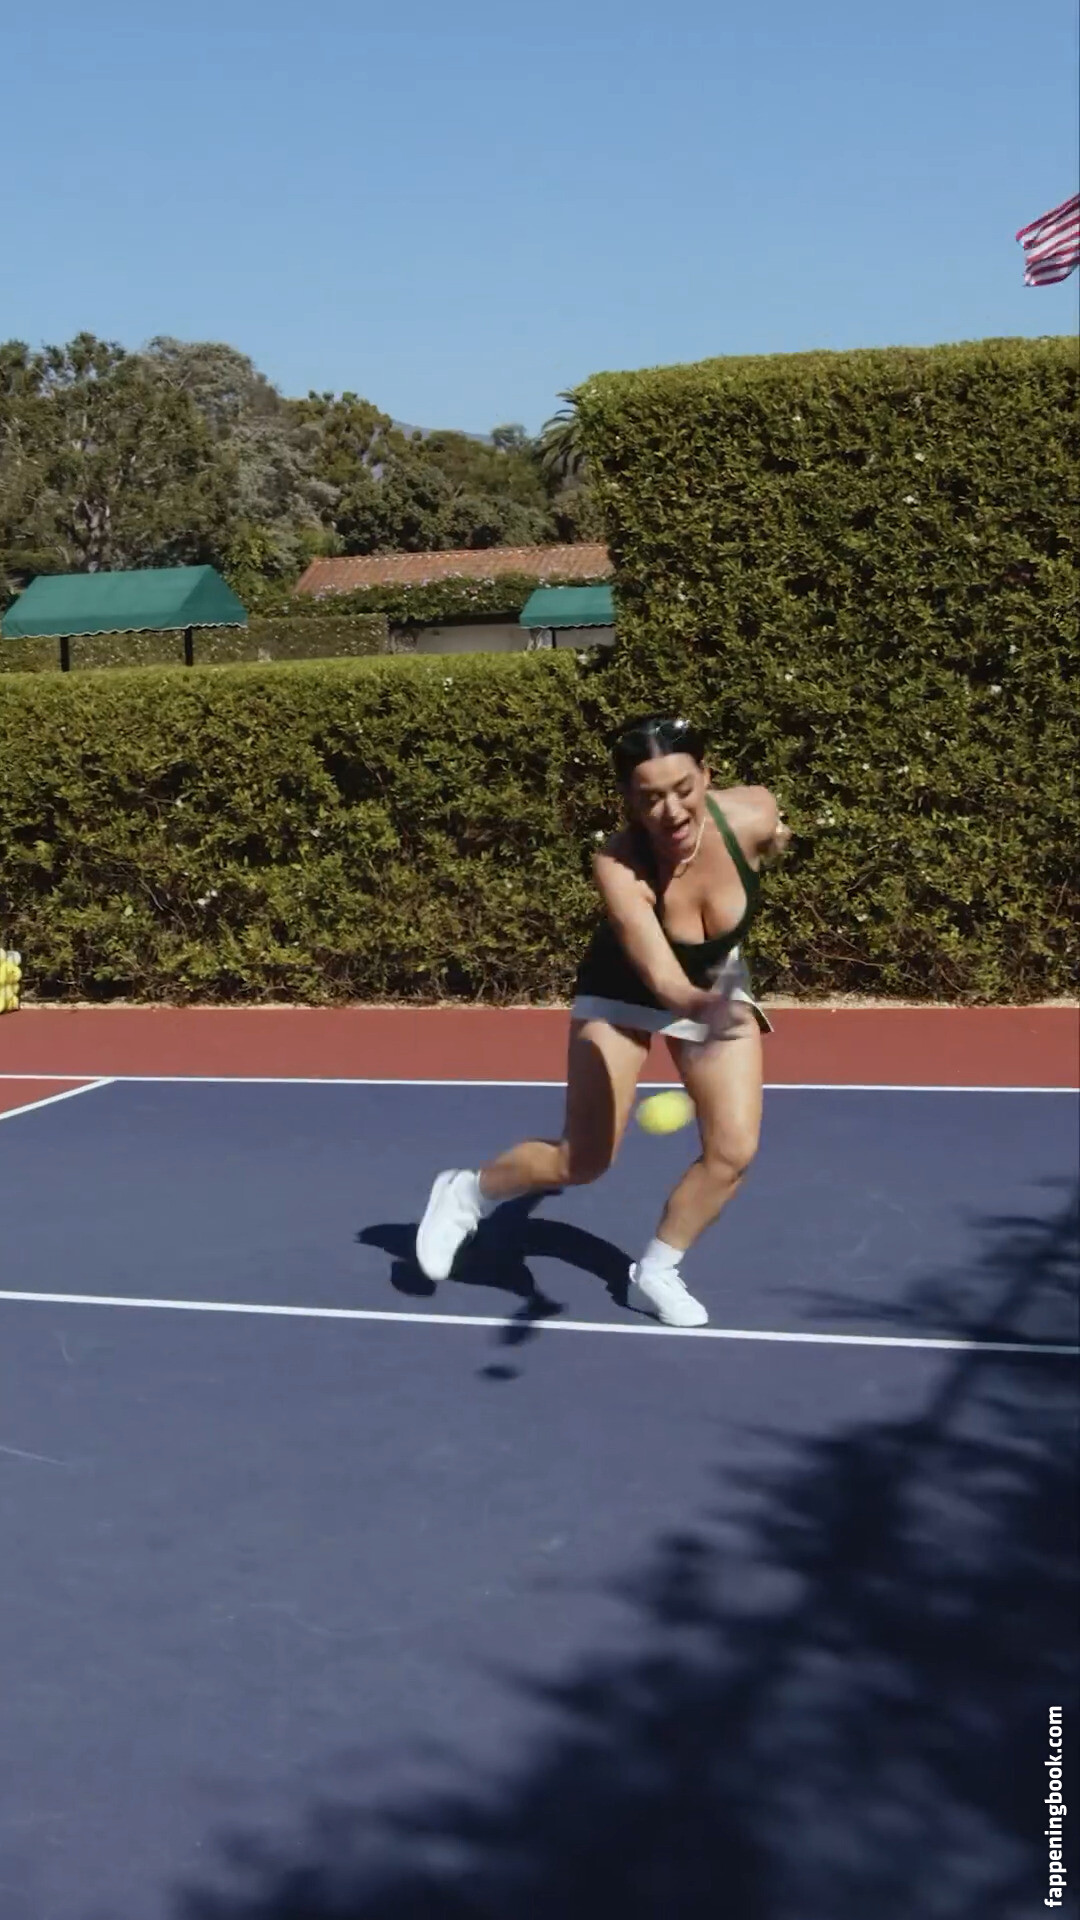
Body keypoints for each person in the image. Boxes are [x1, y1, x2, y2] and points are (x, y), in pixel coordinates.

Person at [415, 713, 790, 1327]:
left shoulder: (753, 813)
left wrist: (775, 841)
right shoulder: (618, 865)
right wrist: (705, 1006)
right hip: (625, 990)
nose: (671, 810)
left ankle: (656, 1272)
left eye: (683, 788)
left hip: (712, 983)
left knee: (733, 1150)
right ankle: (467, 1193)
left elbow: (773, 835)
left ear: (707, 775)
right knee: (583, 1161)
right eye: (650, 797)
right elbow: (664, 981)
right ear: (628, 801)